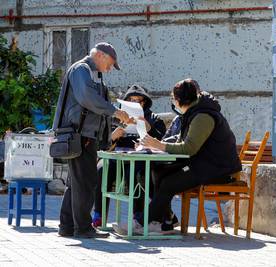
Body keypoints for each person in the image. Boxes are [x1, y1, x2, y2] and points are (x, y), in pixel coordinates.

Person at [114, 78, 242, 235]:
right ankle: (163, 222)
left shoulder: (203, 117)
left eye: (173, 98)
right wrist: (153, 144)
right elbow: (182, 139)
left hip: (218, 170)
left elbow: (189, 148)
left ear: (181, 99)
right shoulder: (193, 112)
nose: (173, 102)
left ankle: (141, 223)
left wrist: (159, 145)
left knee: (169, 183)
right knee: (159, 171)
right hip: (203, 164)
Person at [53, 42, 131, 238]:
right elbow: (87, 98)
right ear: (101, 56)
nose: (110, 68)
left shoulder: (92, 73)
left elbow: (95, 103)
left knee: (77, 183)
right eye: (111, 63)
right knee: (85, 182)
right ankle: (84, 228)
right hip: (80, 134)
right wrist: (115, 112)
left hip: (84, 135)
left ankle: (68, 226)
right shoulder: (82, 69)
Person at [92, 84, 166, 227]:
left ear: (145, 102)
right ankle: (99, 214)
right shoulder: (118, 118)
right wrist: (113, 136)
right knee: (102, 168)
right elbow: (102, 143)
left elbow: (163, 142)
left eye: (139, 101)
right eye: (131, 100)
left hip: (140, 158)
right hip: (117, 155)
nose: (135, 104)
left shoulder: (153, 118)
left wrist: (149, 130)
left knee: (133, 171)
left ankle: (138, 215)